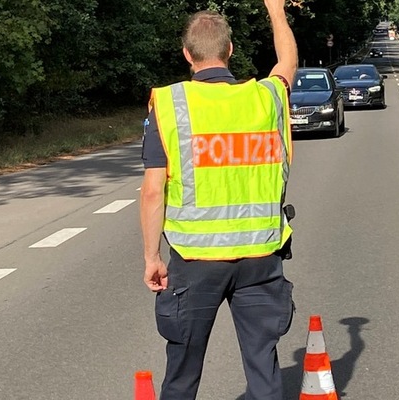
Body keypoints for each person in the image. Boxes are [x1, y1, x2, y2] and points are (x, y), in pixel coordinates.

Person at [138, 1, 298, 399]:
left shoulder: (171, 105)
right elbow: (287, 64)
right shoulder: (265, 98)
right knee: (263, 368)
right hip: (261, 258)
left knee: (182, 372)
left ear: (187, 54)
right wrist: (276, 11)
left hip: (194, 262)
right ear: (230, 50)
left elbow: (154, 190)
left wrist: (152, 257)